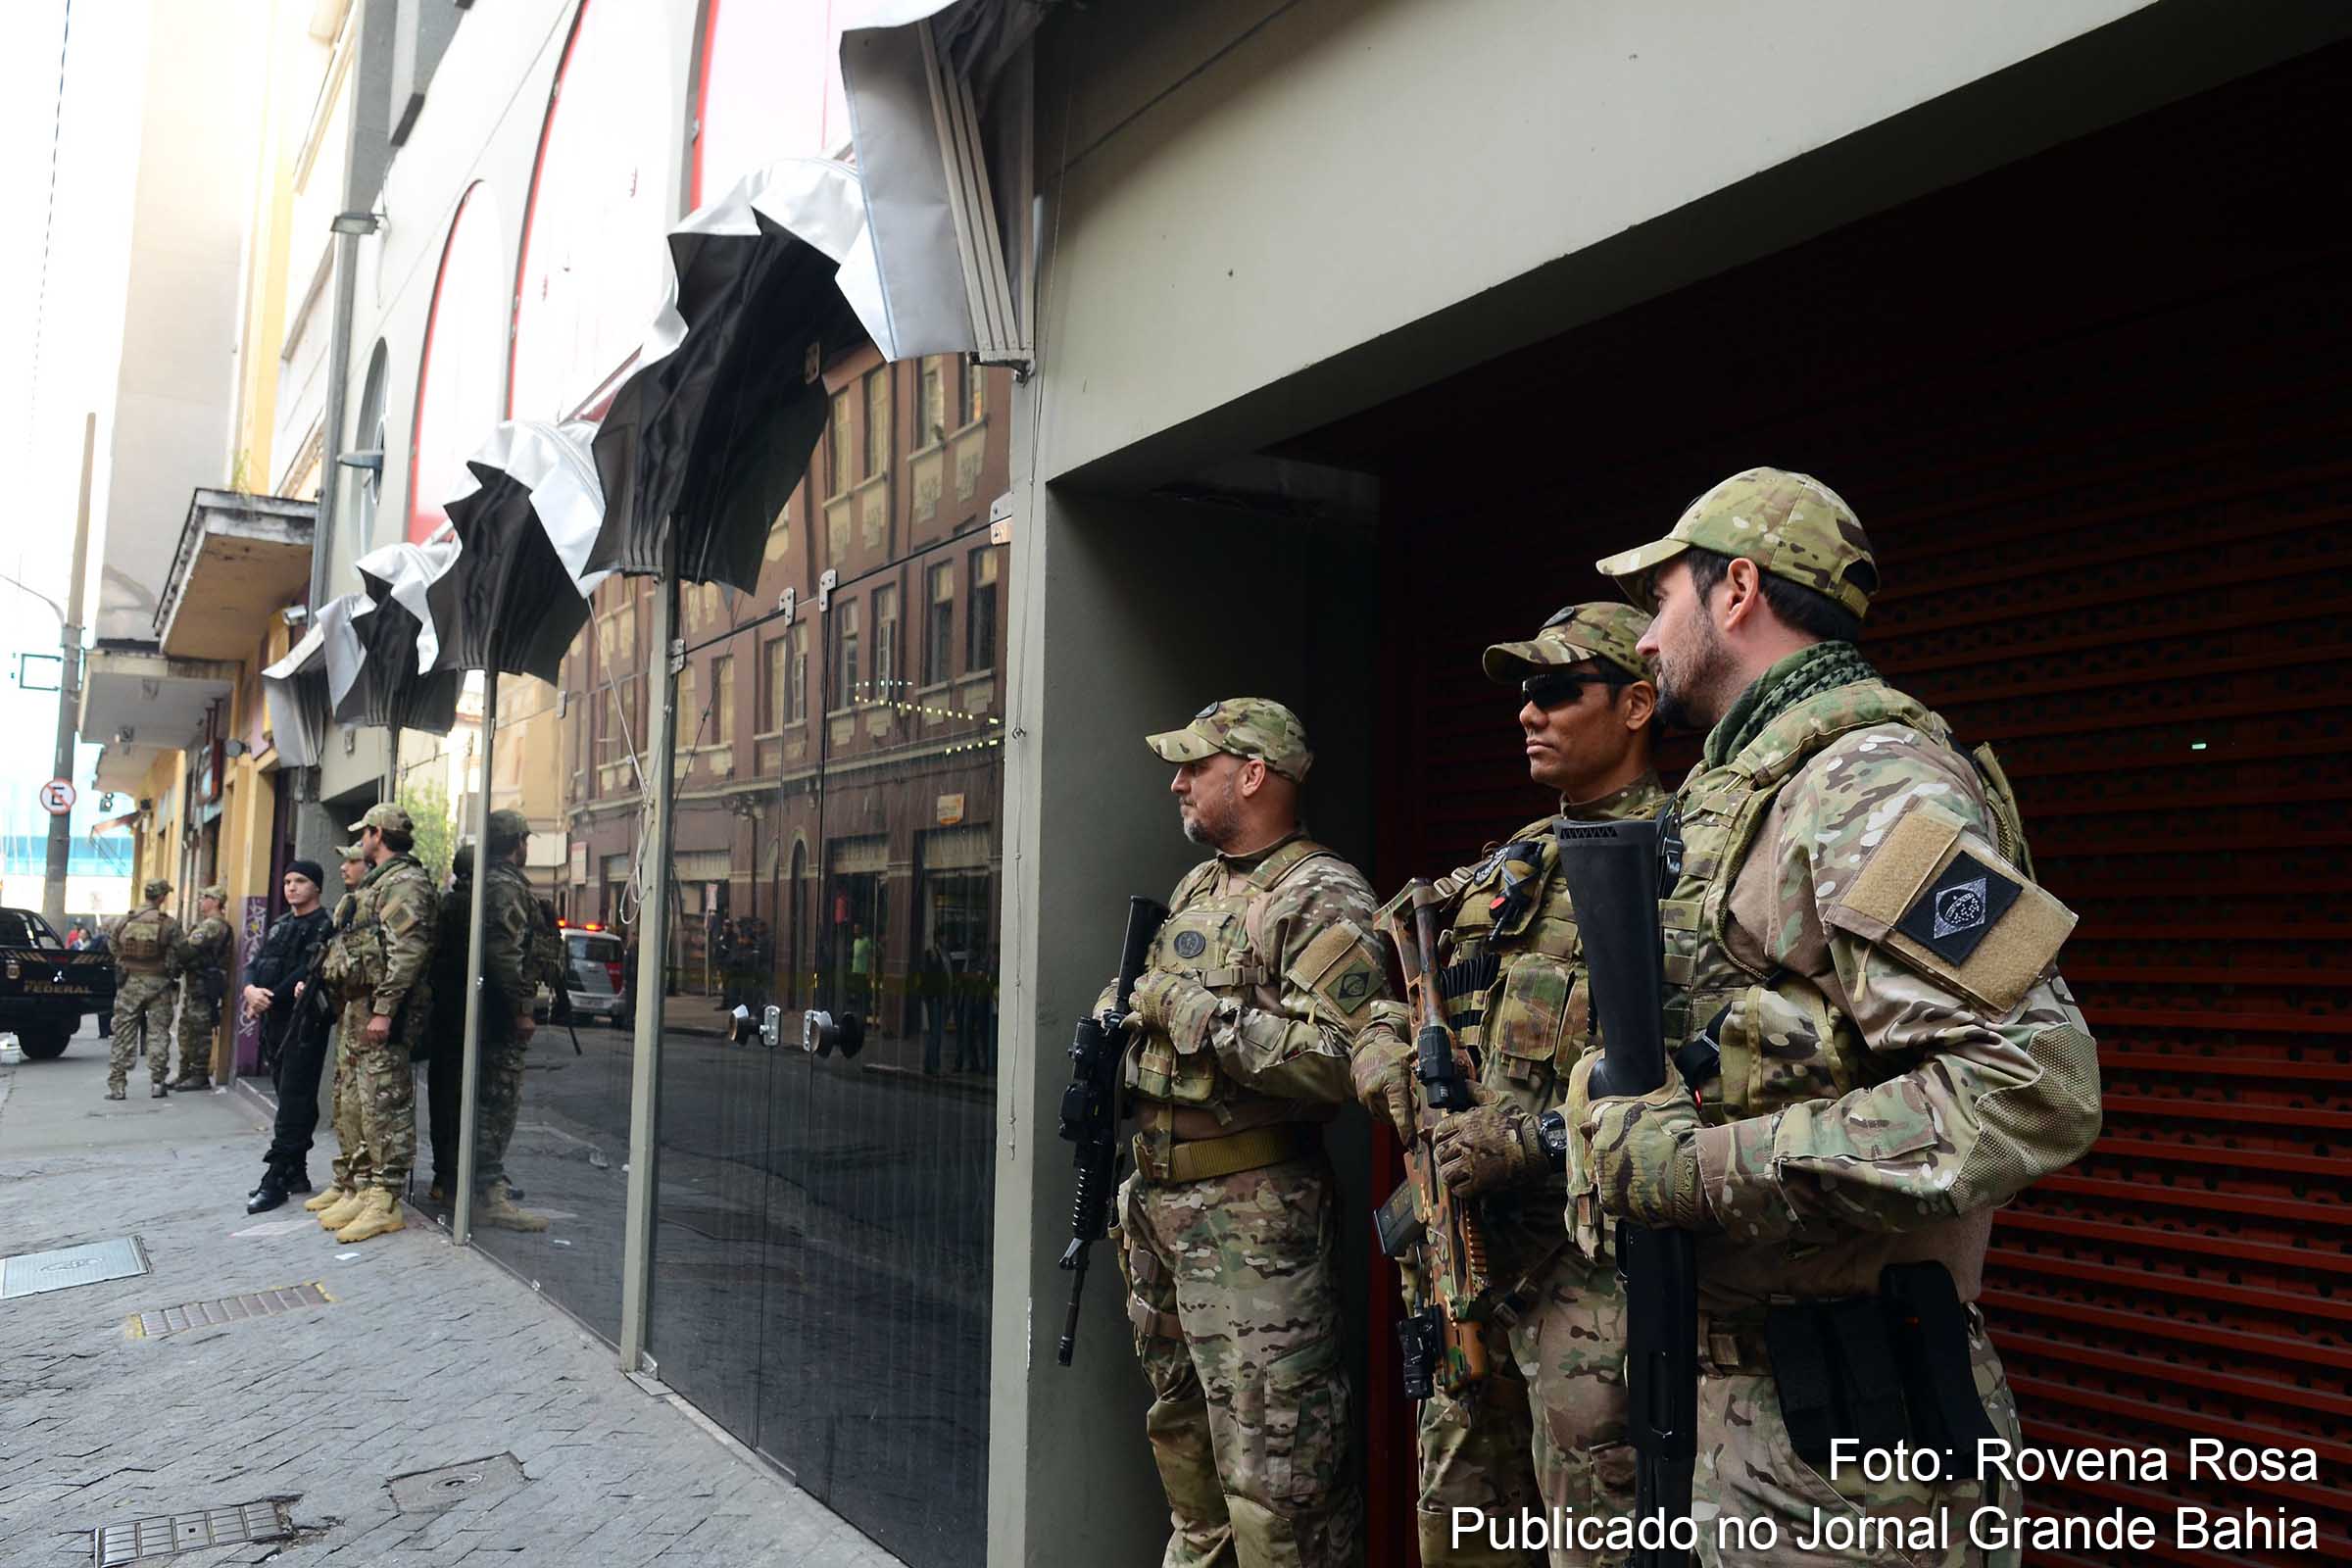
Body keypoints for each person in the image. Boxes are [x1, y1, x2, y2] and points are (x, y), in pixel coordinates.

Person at [1578, 467, 2101, 1565]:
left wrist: (1704, 1165)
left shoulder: (1874, 789)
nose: (1642, 641)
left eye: (1659, 600)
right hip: (1747, 1422)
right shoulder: (1755, 788)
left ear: (1738, 590)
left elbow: (2032, 1085)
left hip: (1852, 1457)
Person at [1350, 604, 1667, 1566]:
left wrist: (1534, 1139)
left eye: (1555, 690)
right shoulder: (1508, 864)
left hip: (1595, 1282)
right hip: (1467, 1272)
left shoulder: (1685, 863)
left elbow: (1727, 1081)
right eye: (1522, 695)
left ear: (1639, 702)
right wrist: (1378, 1049)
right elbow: (1398, 987)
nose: (1527, 713)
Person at [1111, 698, 1389, 1568]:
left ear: (1255, 775)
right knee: (1186, 1447)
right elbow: (1156, 1006)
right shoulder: (1202, 886)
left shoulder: (1321, 894)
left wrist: (1188, 1012)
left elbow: (1348, 1062)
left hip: (1253, 1221)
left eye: (1197, 765)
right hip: (1162, 1209)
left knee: (1280, 1485)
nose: (1178, 781)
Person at [312, 804, 439, 1245]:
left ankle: (384, 1199)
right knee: (358, 1101)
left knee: (385, 1103)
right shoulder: (380, 883)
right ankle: (363, 1188)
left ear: (377, 834)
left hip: (383, 1011)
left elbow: (407, 951)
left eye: (364, 833)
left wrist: (385, 1009)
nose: (361, 841)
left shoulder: (405, 883)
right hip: (361, 1006)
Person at [472, 808, 558, 1230]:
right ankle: (491, 1195)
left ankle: (480, 1183)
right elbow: (506, 953)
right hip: (500, 1016)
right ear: (517, 843)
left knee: (486, 1099)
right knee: (498, 1102)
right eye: (524, 841)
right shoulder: (504, 887)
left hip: (487, 1011)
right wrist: (524, 1009)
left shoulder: (488, 883)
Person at [241, 860, 334, 1211]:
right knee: (287, 1093)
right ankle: (297, 1171)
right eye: (287, 881)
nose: (291, 887)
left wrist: (267, 998)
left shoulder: (324, 926)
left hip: (302, 1022)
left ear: (317, 887)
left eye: (300, 881)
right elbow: (256, 961)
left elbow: (307, 969)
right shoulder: (280, 925)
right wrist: (250, 989)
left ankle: (277, 1175)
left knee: (295, 1097)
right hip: (273, 1021)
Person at [303, 846, 375, 1219]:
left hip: (369, 1010)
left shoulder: (377, 902)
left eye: (352, 861)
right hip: (349, 1009)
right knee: (343, 1099)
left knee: (363, 1102)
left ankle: (363, 1186)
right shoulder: (350, 904)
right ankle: (347, 1179)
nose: (343, 867)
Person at [422, 842, 477, 1205]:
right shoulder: (474, 908)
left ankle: (444, 1175)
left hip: (443, 1016)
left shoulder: (445, 905)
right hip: (463, 1017)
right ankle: (456, 1177)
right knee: (462, 1100)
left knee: (443, 1098)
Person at [105, 879, 182, 1100]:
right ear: (160, 897)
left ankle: (117, 1087)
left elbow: (112, 946)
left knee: (123, 1033)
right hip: (159, 985)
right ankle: (158, 1083)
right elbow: (182, 951)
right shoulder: (168, 924)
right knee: (158, 1033)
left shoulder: (124, 920)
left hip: (130, 985)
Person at [170, 884, 234, 1091]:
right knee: (186, 1029)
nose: (200, 901)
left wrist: (176, 944)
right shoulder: (206, 924)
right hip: (196, 982)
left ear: (215, 901)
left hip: (204, 983)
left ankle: (199, 1075)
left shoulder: (213, 925)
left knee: (200, 1029)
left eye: (204, 898)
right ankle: (185, 1072)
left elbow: (188, 950)